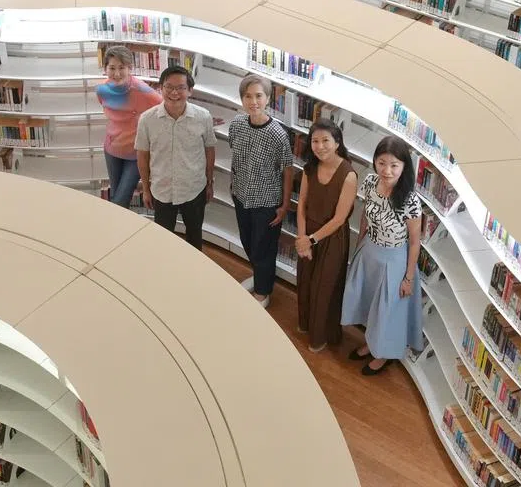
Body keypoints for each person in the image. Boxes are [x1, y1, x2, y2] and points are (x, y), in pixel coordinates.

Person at [341, 135, 425, 375]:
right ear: (375, 162)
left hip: (394, 260)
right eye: (381, 163)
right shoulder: (369, 182)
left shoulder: (410, 200)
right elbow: (366, 215)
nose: (387, 170)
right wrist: (360, 247)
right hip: (370, 252)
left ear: (404, 167)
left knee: (388, 311)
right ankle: (371, 343)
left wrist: (408, 278)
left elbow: (415, 242)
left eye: (394, 165)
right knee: (370, 304)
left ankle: (385, 355)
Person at [228, 74, 295, 308]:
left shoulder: (278, 134)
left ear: (268, 99)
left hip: (266, 202)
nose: (253, 101)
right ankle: (260, 278)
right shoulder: (236, 124)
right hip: (240, 195)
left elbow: (288, 169)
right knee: (247, 241)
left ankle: (263, 290)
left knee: (263, 248)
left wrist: (285, 205)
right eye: (248, 96)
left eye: (258, 96)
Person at [135, 65, 216, 250]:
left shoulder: (203, 117)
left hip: (194, 188)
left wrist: (209, 183)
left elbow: (209, 150)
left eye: (180, 87)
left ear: (190, 91)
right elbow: (142, 155)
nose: (174, 92)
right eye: (169, 87)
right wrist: (146, 189)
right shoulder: (147, 119)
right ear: (160, 88)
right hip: (162, 190)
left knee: (195, 235)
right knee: (163, 239)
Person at [295, 118, 358, 353]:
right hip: (307, 235)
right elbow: (301, 203)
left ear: (337, 143)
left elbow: (339, 219)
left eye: (325, 141)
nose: (320, 146)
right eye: (315, 141)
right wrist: (302, 238)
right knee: (305, 281)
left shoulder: (348, 175)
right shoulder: (309, 168)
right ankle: (305, 324)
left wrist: (310, 240)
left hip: (331, 239)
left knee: (325, 287)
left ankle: (321, 336)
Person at [95, 46, 162, 207]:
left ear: (130, 68)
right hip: (112, 149)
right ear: (105, 68)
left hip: (135, 153)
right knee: (117, 196)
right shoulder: (101, 90)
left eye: (122, 68)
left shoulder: (140, 89)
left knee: (120, 200)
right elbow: (112, 117)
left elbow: (165, 105)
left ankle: (115, 230)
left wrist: (198, 116)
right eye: (112, 68)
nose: (116, 74)